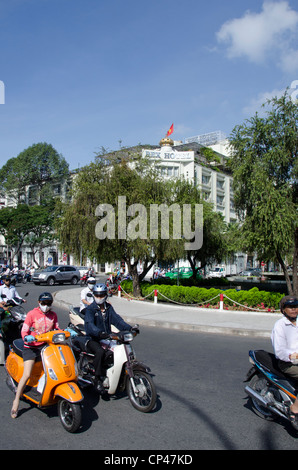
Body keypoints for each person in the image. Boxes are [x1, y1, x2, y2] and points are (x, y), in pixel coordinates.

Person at [10, 292, 60, 419]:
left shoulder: (53, 315)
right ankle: (16, 400)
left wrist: (65, 332)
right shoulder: (32, 314)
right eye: (43, 303)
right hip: (31, 347)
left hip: (46, 346)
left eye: (48, 304)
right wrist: (27, 337)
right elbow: (24, 330)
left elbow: (56, 329)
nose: (46, 306)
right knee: (27, 374)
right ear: (39, 303)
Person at [84, 283, 138, 394]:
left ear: (106, 295)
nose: (99, 298)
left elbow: (118, 321)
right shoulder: (90, 309)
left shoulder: (108, 308)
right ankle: (98, 378)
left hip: (107, 337)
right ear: (94, 295)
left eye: (101, 295)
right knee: (100, 351)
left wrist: (130, 328)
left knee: (120, 348)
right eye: (97, 295)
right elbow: (89, 325)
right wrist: (99, 333)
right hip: (93, 338)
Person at [271, 294, 298, 421]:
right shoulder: (280, 326)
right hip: (287, 363)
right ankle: (295, 408)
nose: (294, 309)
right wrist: (293, 356)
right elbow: (280, 351)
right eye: (290, 307)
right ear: (283, 309)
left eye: (296, 306)